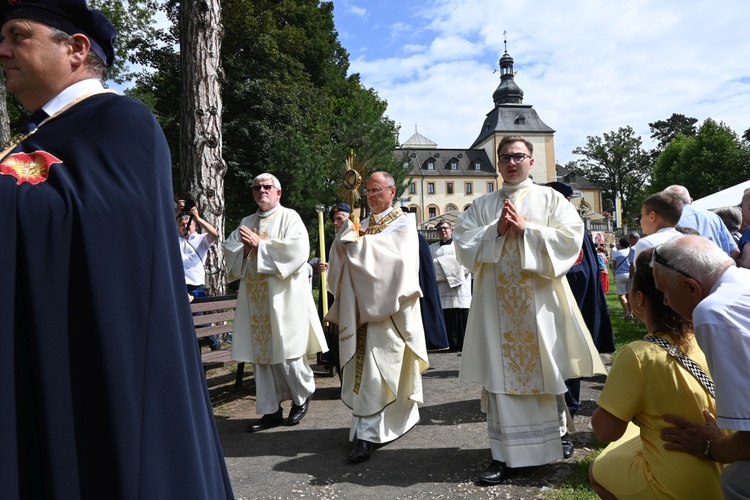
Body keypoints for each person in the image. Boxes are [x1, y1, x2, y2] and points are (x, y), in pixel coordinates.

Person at [0, 1, 233, 496]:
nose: (3, 50)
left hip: (110, 373)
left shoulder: (119, 120)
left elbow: (105, 233)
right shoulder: (36, 140)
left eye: (18, 35)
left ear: (76, 49)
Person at [453, 136, 606, 485]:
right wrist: (496, 230)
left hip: (540, 306)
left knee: (546, 368)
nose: (511, 162)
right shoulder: (483, 204)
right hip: (496, 310)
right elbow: (463, 243)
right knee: (501, 377)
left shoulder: (550, 199)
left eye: (518, 156)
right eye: (505, 156)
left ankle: (555, 439)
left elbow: (570, 238)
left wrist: (527, 231)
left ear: (531, 161)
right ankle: (503, 454)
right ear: (498, 162)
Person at [589, 248, 725, 499]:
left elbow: (605, 431)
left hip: (677, 486)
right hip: (729, 472)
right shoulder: (712, 337)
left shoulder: (639, 355)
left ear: (639, 299)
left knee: (597, 471)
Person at [326, 171, 429, 463]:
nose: (371, 195)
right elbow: (342, 262)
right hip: (360, 311)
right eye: (368, 191)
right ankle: (368, 430)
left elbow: (397, 261)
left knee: (381, 369)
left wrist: (355, 243)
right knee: (367, 373)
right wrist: (341, 239)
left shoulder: (404, 222)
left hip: (389, 311)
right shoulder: (363, 223)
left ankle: (370, 434)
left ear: (392, 191)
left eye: (377, 190)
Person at [224, 173, 327, 432]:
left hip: (285, 300)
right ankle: (271, 411)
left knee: (289, 356)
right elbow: (231, 253)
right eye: (257, 188)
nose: (262, 191)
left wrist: (261, 245)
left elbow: (298, 252)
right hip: (255, 303)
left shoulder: (290, 217)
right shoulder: (246, 222)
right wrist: (247, 250)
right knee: (262, 360)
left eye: (267, 187)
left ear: (278, 192)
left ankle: (303, 395)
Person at [652, 236, 750, 499]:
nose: (665, 302)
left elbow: (748, 442)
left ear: (690, 287)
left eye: (664, 292)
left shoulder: (714, 312)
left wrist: (710, 446)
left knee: (738, 480)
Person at [176, 200, 221, 350]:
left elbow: (214, 234)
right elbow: (163, 231)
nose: (184, 227)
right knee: (182, 318)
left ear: (194, 227)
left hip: (196, 284)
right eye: (181, 225)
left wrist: (198, 217)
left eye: (187, 224)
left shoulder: (200, 239)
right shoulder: (176, 240)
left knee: (198, 317)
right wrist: (177, 211)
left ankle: (213, 342)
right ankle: (192, 348)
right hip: (180, 284)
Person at [429, 220, 472, 352]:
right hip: (442, 288)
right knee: (446, 315)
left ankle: (463, 343)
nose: (443, 231)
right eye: (440, 229)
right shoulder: (432, 249)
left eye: (446, 228)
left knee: (461, 314)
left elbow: (467, 263)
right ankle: (449, 343)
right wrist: (450, 268)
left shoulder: (460, 246)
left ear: (451, 230)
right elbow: (430, 267)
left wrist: (444, 266)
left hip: (460, 286)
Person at [663, 185, 738, 258]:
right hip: (719, 266)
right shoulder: (714, 217)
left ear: (664, 202)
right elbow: (735, 252)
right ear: (691, 201)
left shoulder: (665, 220)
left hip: (684, 268)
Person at [631, 191, 684, 263]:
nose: (640, 221)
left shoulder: (646, 243)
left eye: (642, 215)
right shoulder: (688, 241)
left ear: (652, 216)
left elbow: (640, 273)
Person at [610, 237, 634, 318]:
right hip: (630, 274)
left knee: (621, 294)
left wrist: (614, 269)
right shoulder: (631, 251)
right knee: (629, 294)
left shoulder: (616, 253)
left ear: (620, 244)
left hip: (620, 274)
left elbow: (614, 265)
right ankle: (631, 311)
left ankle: (627, 312)